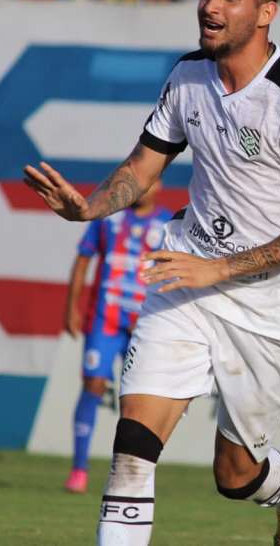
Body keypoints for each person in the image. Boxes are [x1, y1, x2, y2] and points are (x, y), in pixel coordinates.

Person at [23, 0, 280, 546]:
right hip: (183, 279)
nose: (211, 7)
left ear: (266, 12)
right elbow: (145, 167)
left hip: (268, 307)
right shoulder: (188, 75)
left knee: (236, 475)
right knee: (131, 451)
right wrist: (89, 207)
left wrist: (220, 268)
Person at [62, 182, 172, 494]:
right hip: (104, 318)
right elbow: (83, 259)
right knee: (94, 384)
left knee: (138, 400)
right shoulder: (109, 220)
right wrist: (72, 308)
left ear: (159, 187)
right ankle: (79, 468)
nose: (145, 190)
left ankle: (130, 475)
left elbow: (173, 271)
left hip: (144, 322)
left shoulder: (166, 224)